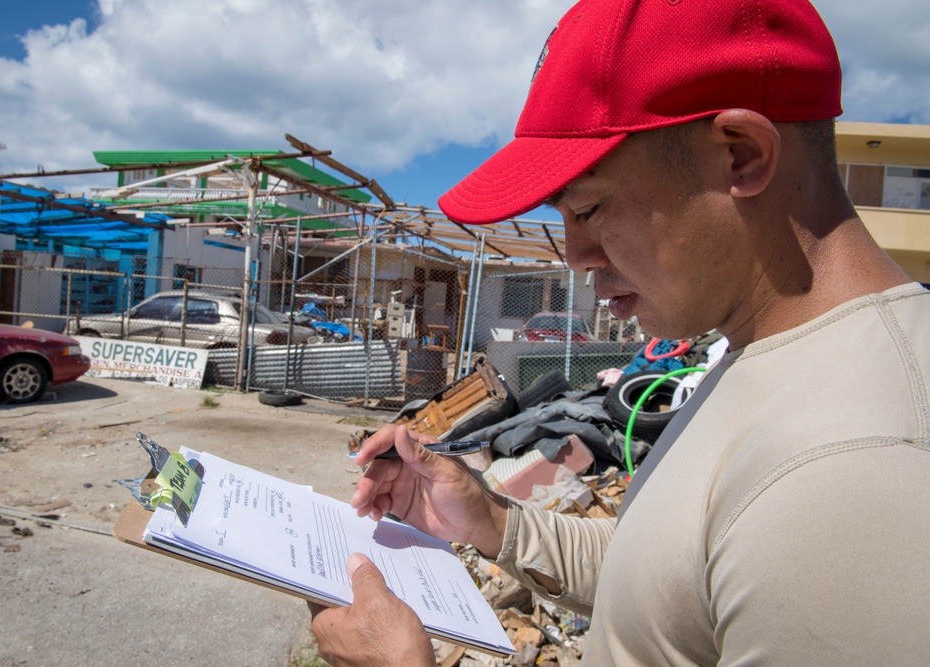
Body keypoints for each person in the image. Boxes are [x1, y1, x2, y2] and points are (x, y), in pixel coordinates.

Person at [309, 0, 930, 664]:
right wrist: (491, 520)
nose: (574, 256)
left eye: (589, 207)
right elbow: (675, 583)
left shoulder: (850, 471)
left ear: (742, 157)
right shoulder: (769, 350)